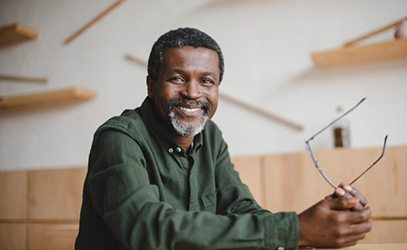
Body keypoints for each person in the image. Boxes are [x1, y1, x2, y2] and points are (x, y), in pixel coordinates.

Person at [75, 27, 372, 250]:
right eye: (177, 78)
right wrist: (295, 230)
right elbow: (147, 228)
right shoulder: (118, 138)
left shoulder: (210, 135)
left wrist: (322, 222)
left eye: (207, 81)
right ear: (151, 86)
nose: (193, 93)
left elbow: (242, 209)